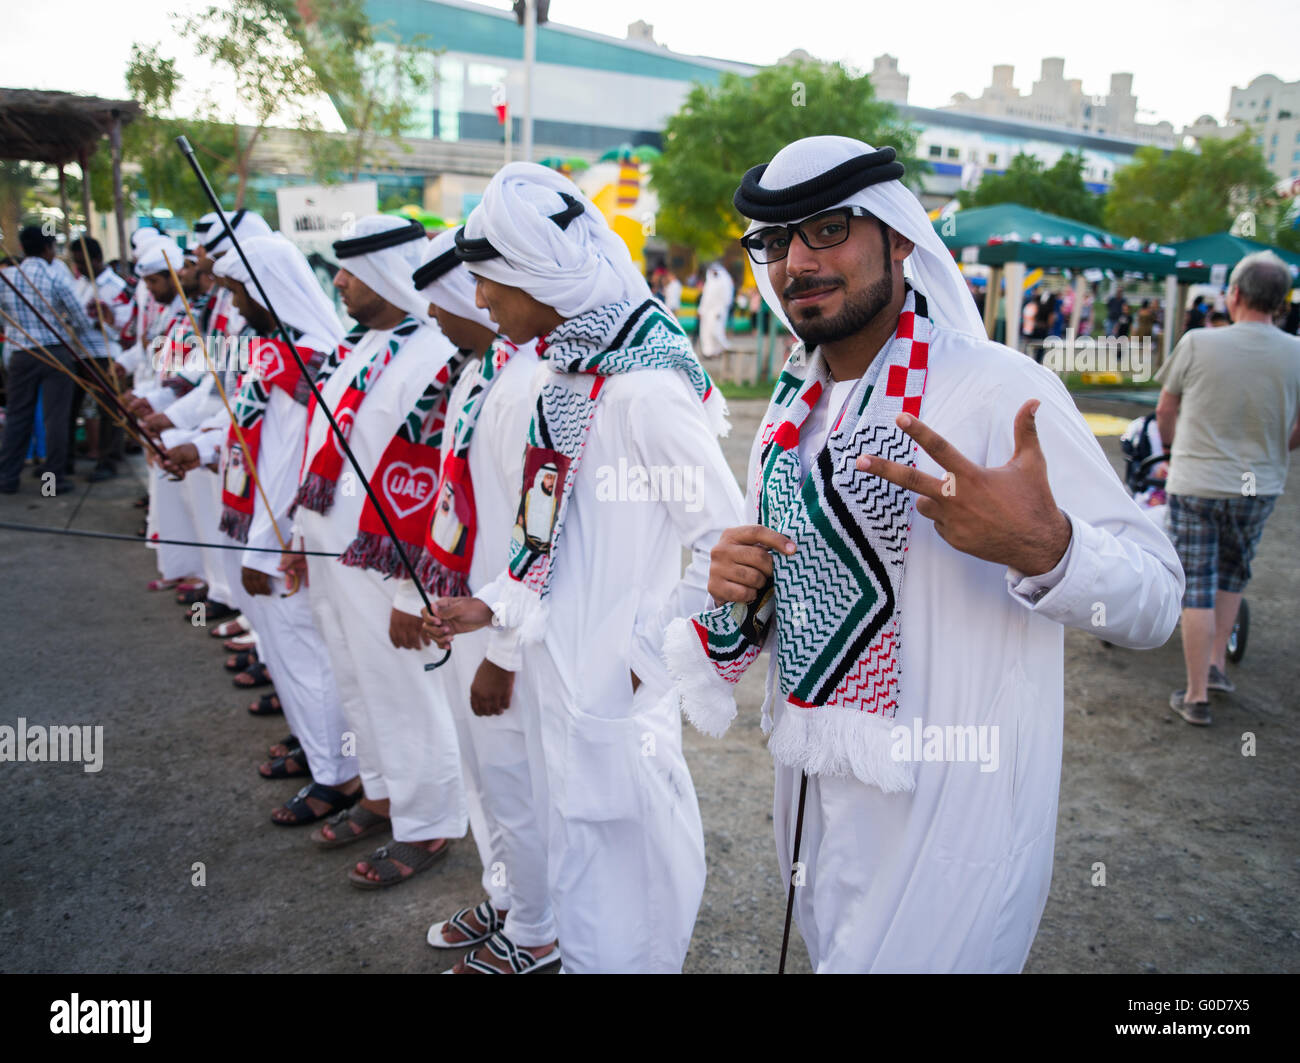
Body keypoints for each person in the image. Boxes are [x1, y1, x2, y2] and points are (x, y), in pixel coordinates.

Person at [664, 135, 1183, 973]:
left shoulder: (993, 389)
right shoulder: (792, 410)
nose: (798, 260)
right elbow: (813, 574)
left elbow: (1156, 598)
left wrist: (1048, 548)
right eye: (778, 240)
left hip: (954, 814)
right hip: (815, 794)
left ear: (900, 237)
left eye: (829, 228)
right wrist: (741, 584)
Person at [422, 162, 744, 973]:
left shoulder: (644, 388)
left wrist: (643, 663)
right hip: (555, 673)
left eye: (491, 282)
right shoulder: (566, 376)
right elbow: (551, 531)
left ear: (539, 276)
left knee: (634, 881)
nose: (482, 299)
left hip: (613, 691)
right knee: (582, 877)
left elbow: (728, 546)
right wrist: (490, 606)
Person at [284, 215, 467, 888]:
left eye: (351, 270)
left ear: (389, 274)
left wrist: (410, 590)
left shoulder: (437, 355)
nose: (338, 282)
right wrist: (300, 534)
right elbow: (321, 449)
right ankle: (383, 792)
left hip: (396, 563)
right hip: (334, 550)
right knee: (358, 683)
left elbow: (439, 480)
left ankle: (430, 820)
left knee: (405, 691)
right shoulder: (358, 345)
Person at [402, 228, 558, 973]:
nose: (435, 315)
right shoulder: (479, 371)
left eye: (443, 301)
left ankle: (537, 933)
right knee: (484, 778)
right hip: (469, 607)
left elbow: (539, 532)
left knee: (516, 784)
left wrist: (500, 652)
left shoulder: (534, 381)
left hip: (509, 624)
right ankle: (507, 901)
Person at [1154, 251, 1300, 724]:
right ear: (1281, 302)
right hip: (1258, 485)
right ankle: (1217, 666)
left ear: (1234, 294)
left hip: (1195, 480)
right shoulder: (1296, 353)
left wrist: (1175, 451)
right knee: (1233, 574)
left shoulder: (1198, 343)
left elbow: (1165, 411)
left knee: (1195, 582)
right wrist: (1276, 447)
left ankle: (1196, 695)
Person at [0, 225, 106, 493]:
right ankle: (52, 482)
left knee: (17, 416)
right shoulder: (55, 277)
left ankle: (8, 478)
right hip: (56, 353)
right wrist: (66, 322)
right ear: (48, 249)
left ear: (23, 248)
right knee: (55, 418)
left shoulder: (8, 277)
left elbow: (4, 319)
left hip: (21, 354)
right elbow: (81, 320)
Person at [69, 237, 135, 481]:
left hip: (107, 355)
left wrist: (103, 320)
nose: (80, 267)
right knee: (71, 407)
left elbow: (127, 328)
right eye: (76, 263)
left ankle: (109, 461)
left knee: (109, 409)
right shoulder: (78, 285)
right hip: (78, 353)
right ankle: (66, 460)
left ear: (96, 259)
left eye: (82, 262)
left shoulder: (117, 286)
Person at [697, 260, 734, 358]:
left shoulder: (724, 281)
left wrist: (720, 311)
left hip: (718, 311)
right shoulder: (711, 282)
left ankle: (724, 348)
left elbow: (726, 298)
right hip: (707, 312)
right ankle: (709, 352)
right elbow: (706, 298)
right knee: (706, 332)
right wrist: (701, 310)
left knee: (716, 331)